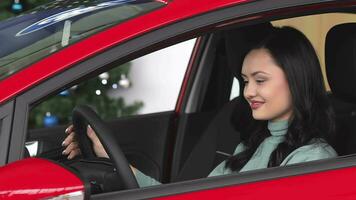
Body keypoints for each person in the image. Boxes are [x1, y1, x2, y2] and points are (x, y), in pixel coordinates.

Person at [62, 26, 337, 187]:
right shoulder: (249, 147)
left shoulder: (314, 161)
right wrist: (111, 159)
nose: (248, 91)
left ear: (296, 80)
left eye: (260, 80)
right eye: (245, 80)